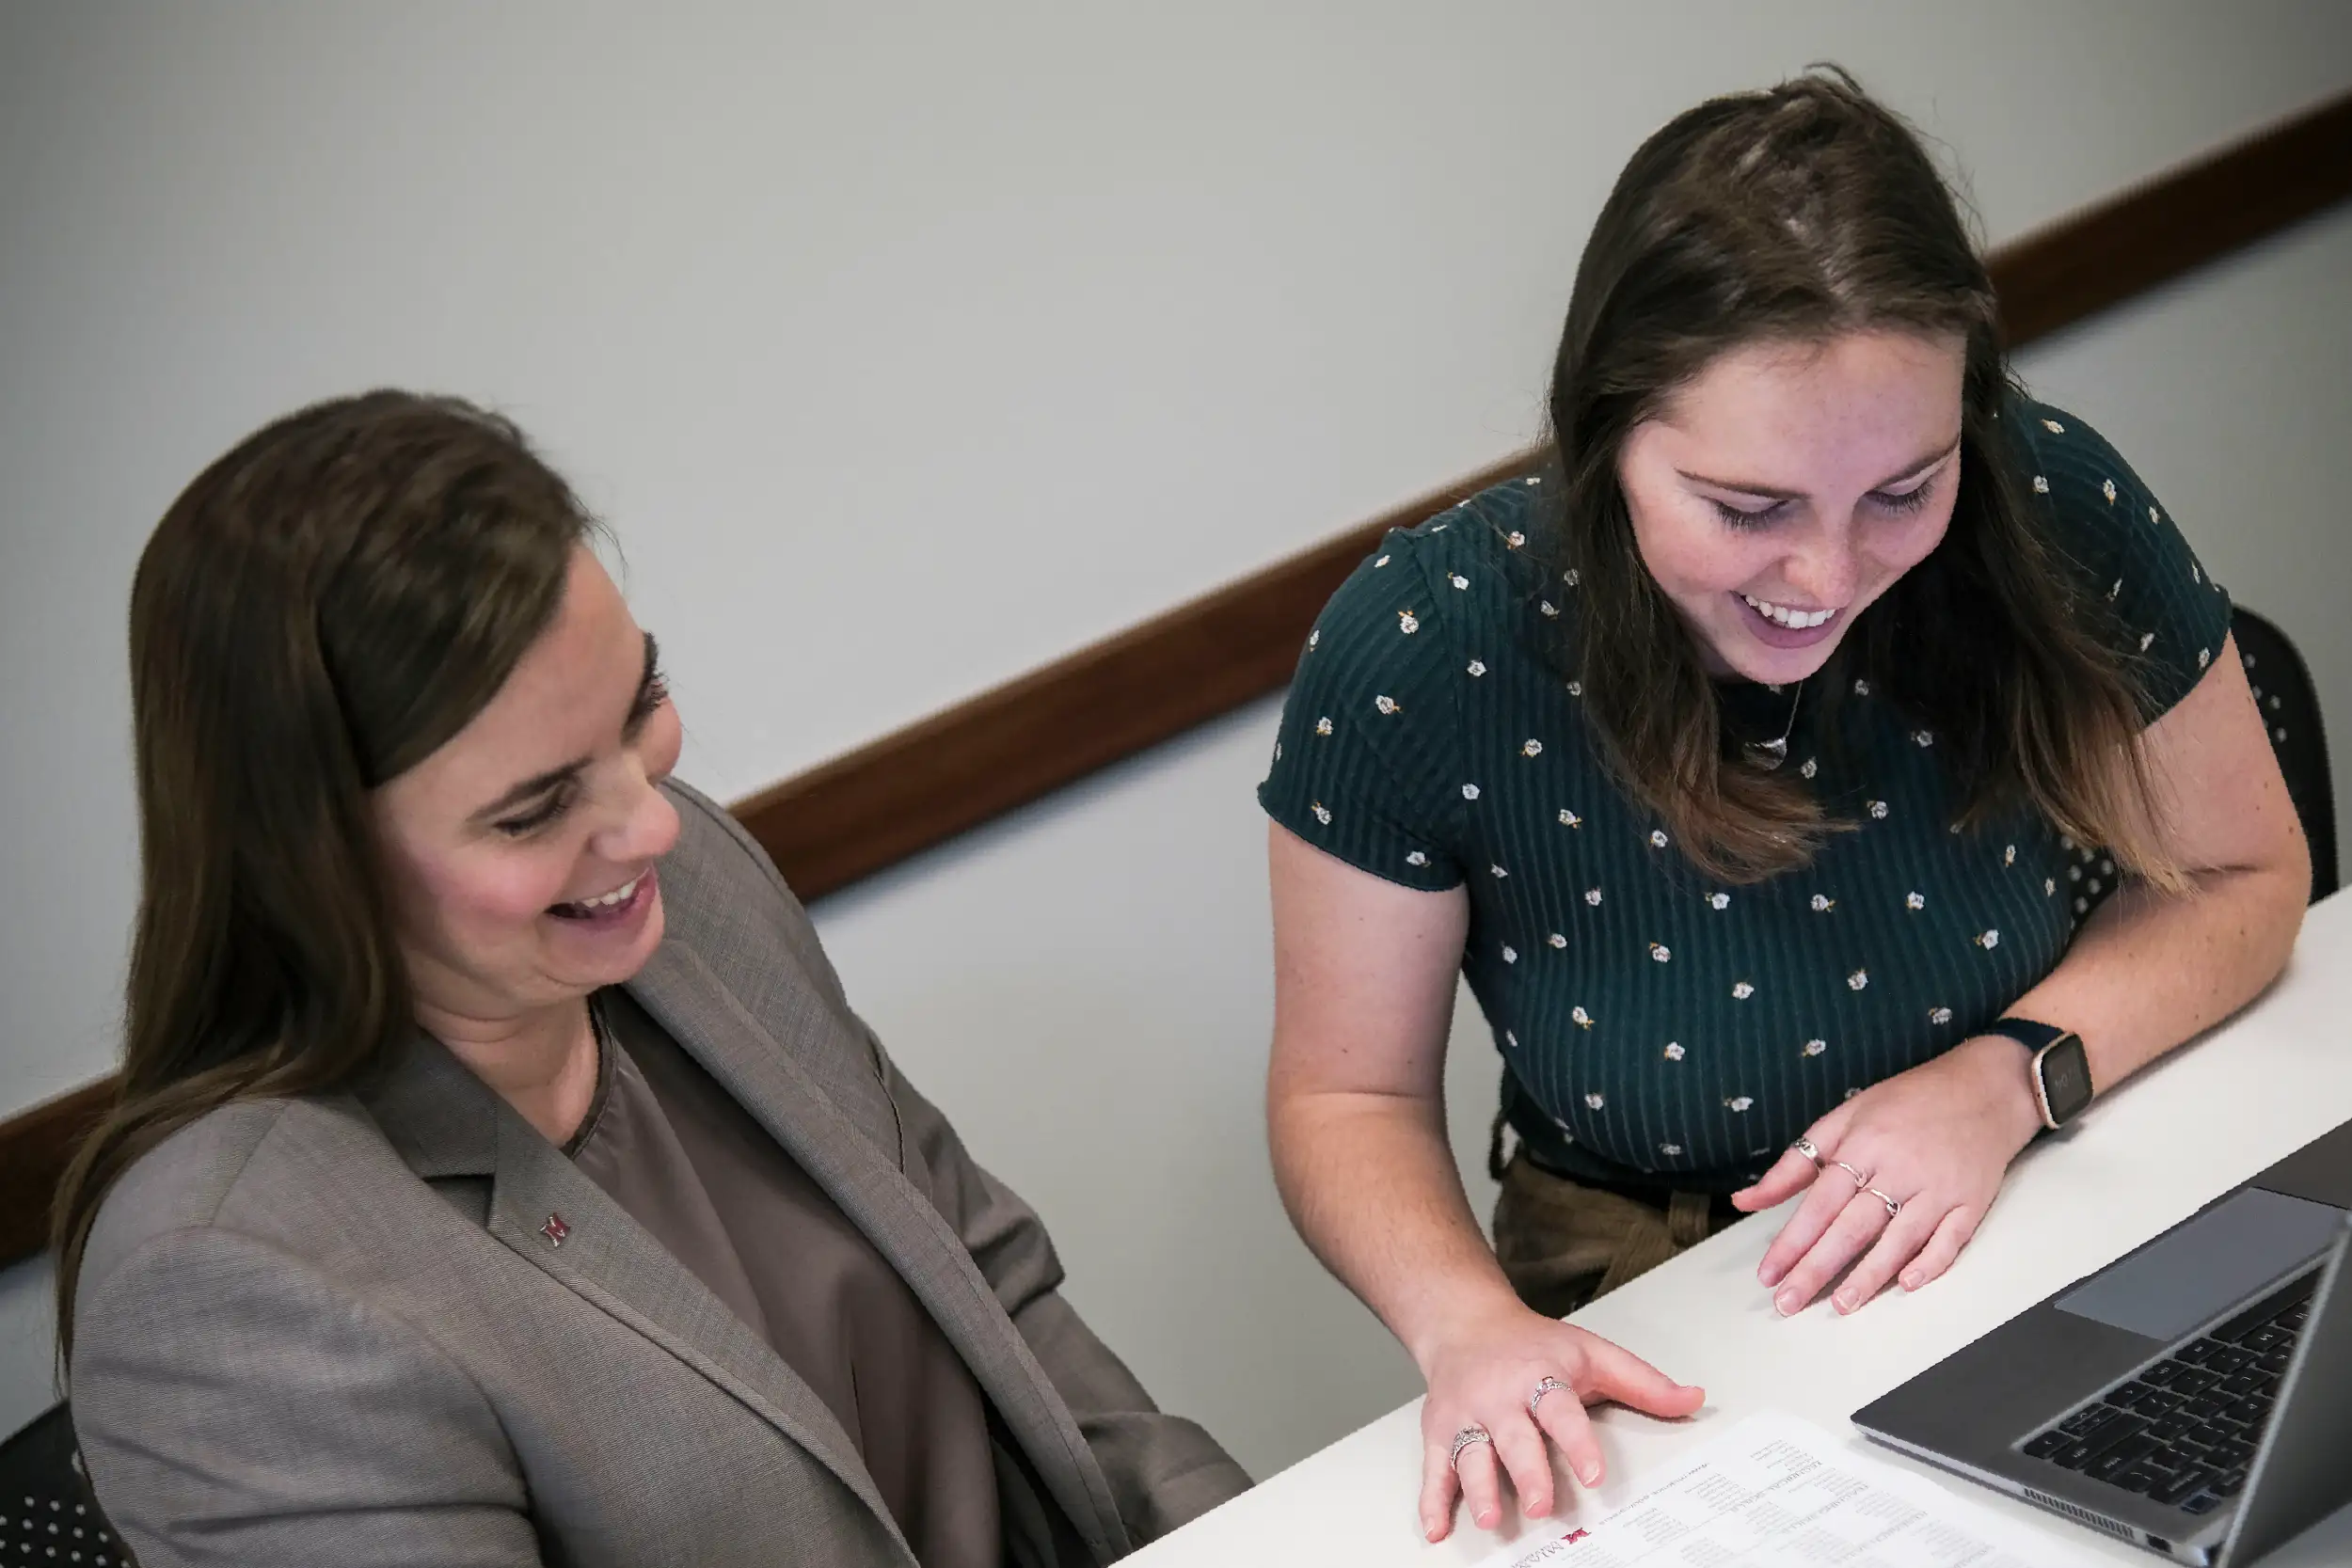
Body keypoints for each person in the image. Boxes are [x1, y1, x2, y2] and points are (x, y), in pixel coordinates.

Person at [1258, 70, 2309, 1544]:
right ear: (1605, 433)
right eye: (1747, 508)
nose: (1826, 575)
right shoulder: (1431, 640)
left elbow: (2245, 868)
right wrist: (1462, 1325)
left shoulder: (2047, 500)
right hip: (1680, 1263)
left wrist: (2010, 1076)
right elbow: (1342, 1094)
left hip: (2061, 1139)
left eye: (1904, 488)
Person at [56, 391, 1250, 1566]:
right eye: (534, 810)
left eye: (640, 709)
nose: (651, 824)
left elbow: (1001, 1300)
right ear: (308, 863)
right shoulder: (231, 1286)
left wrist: (1247, 1535)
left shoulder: (694, 904)